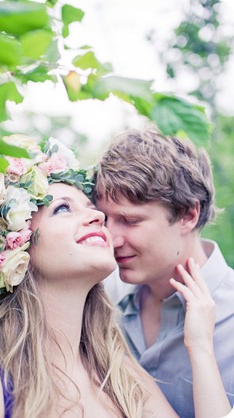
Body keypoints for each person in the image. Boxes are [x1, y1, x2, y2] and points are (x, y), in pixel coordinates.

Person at [0, 134, 230, 418]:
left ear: (188, 216)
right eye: (63, 209)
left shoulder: (126, 381)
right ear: (16, 247)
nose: (103, 223)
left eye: (130, 220)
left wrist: (200, 348)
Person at [95, 127, 234, 418]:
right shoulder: (100, 294)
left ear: (188, 215)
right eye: (105, 218)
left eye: (129, 220)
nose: (110, 237)